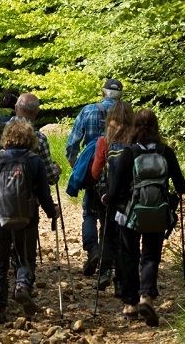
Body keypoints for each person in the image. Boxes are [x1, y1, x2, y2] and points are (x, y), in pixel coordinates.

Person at [107, 108, 185, 326]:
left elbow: (114, 191)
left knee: (128, 256)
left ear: (134, 127)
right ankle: (147, 297)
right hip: (158, 213)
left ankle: (131, 303)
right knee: (151, 255)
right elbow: (182, 186)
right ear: (156, 127)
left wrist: (109, 199)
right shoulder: (166, 152)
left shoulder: (129, 153)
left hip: (130, 213)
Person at [0, 120, 58, 324]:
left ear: (7, 137)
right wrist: (52, 212)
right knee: (25, 258)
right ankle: (22, 285)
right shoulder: (34, 161)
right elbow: (43, 192)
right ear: (30, 139)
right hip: (27, 218)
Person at [66, 77, 124, 274]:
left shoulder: (89, 110)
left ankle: (93, 251)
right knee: (113, 216)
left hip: (93, 171)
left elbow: (72, 145)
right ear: (120, 96)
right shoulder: (125, 113)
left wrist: (79, 167)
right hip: (119, 173)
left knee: (90, 213)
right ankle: (112, 260)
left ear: (103, 92)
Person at [90, 100, 134, 293]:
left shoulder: (104, 142)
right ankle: (121, 280)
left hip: (107, 196)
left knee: (107, 231)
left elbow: (94, 172)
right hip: (130, 197)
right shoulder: (135, 142)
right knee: (125, 235)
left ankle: (105, 271)